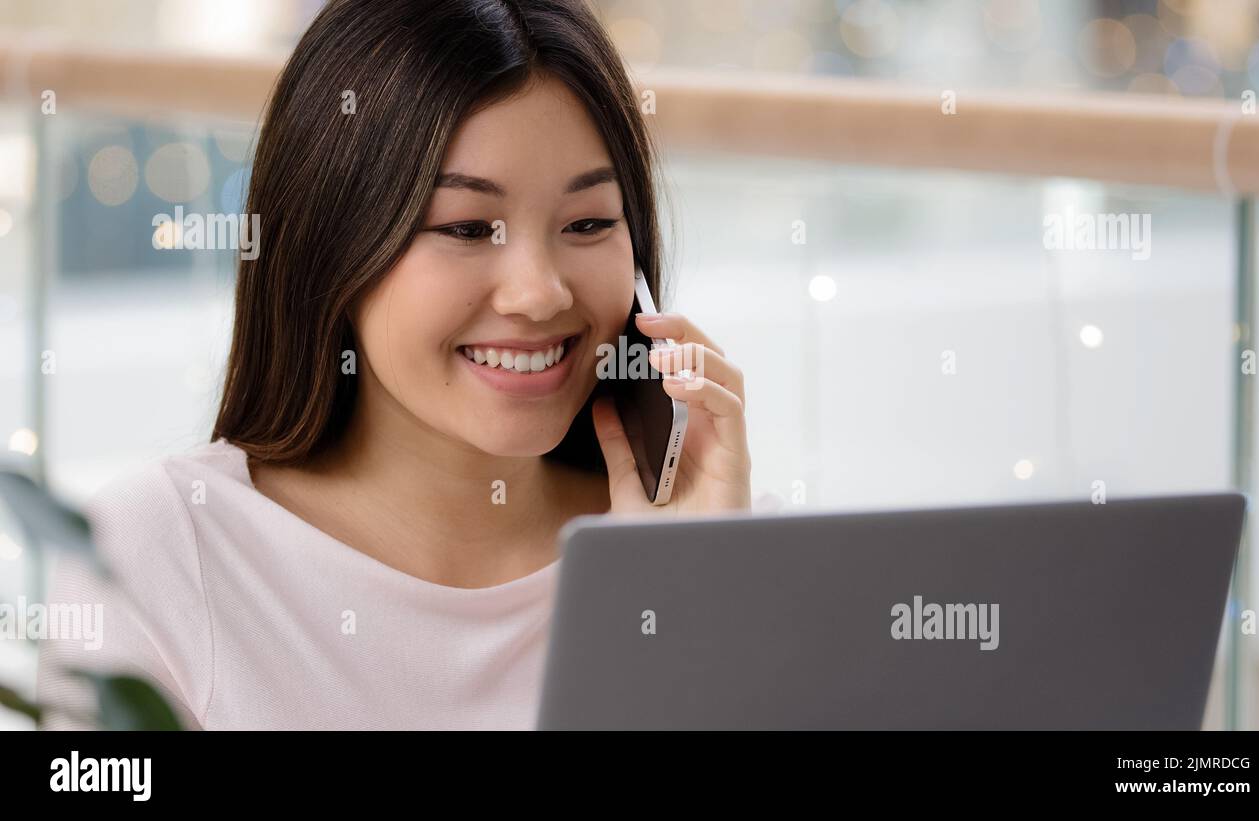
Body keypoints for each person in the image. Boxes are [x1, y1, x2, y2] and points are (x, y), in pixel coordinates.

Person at [36, 0, 750, 730]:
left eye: (589, 222)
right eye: (467, 228)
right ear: (334, 245)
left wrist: (684, 600)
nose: (541, 292)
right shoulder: (156, 552)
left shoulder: (701, 551)